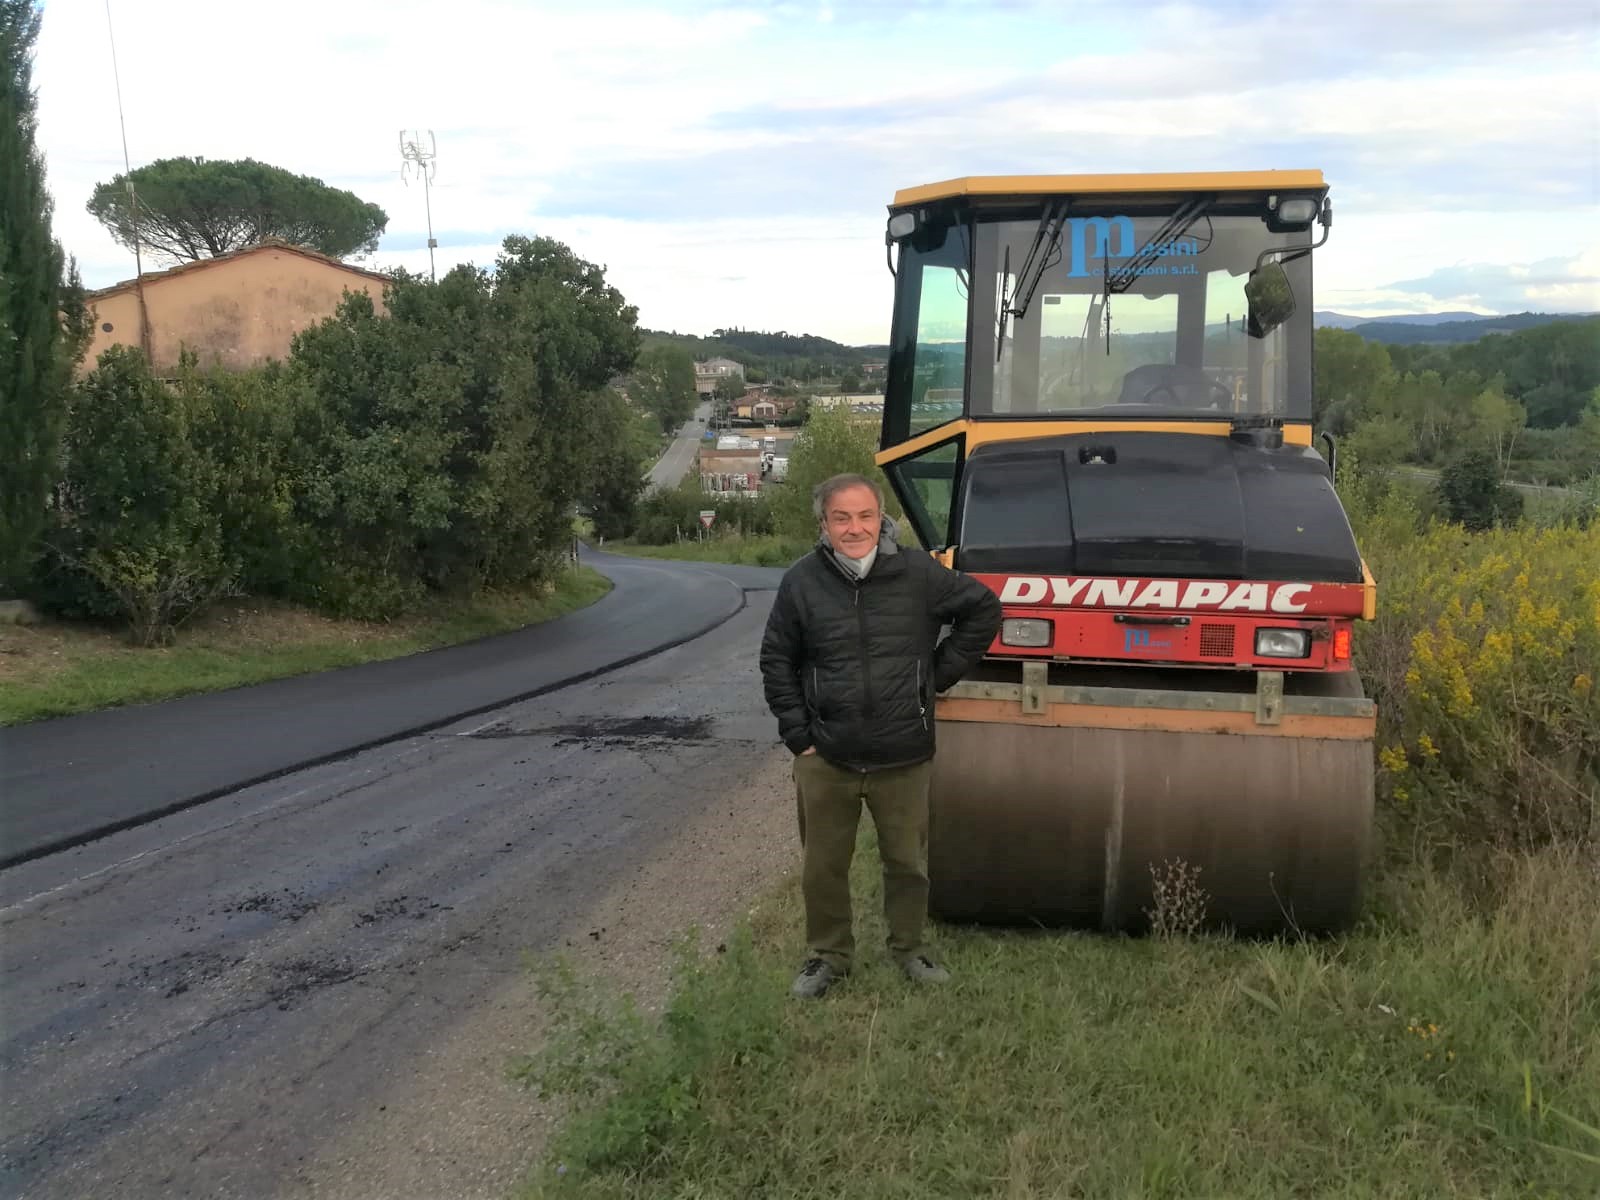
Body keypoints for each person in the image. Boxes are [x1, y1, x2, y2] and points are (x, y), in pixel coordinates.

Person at [758, 472, 1002, 999]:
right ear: (823, 523)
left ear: (881, 519)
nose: (854, 528)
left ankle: (910, 949)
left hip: (903, 754)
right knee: (823, 867)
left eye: (865, 516)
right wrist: (799, 733)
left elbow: (983, 609)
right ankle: (828, 956)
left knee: (907, 863)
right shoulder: (802, 581)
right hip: (827, 755)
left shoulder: (916, 572)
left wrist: (933, 678)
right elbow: (777, 660)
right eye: (841, 517)